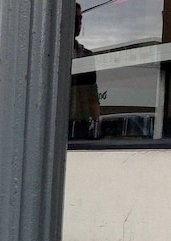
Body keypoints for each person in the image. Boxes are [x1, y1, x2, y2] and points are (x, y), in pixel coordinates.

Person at [70, 2, 101, 139]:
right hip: (57, 120)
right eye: (74, 19)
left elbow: (92, 94)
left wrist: (96, 123)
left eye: (80, 19)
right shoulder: (52, 54)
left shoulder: (87, 55)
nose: (78, 24)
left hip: (81, 123)